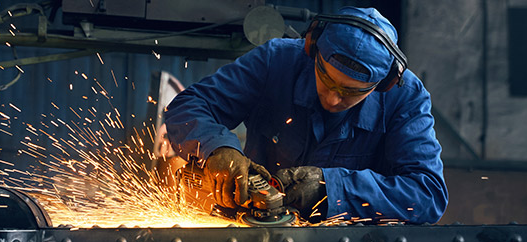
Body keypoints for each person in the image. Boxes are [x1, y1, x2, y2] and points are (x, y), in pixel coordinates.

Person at [163, 6, 447, 224]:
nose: (334, 98)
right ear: (313, 50)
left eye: (351, 92)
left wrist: (332, 188)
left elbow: (427, 195)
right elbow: (189, 105)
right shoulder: (276, 61)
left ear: (381, 85)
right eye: (327, 79)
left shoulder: (405, 96)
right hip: (254, 231)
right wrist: (217, 149)